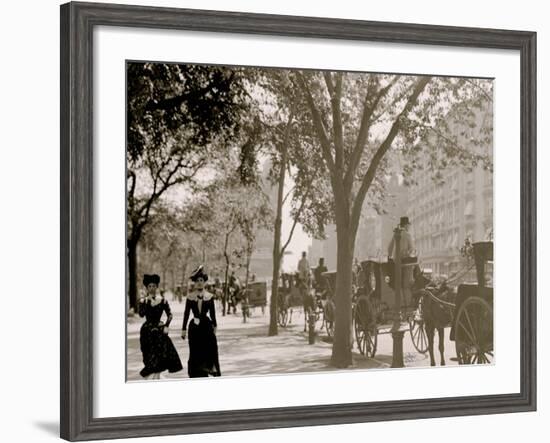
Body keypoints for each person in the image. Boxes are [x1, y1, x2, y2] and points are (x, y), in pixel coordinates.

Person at [138, 274, 183, 379]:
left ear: (157, 287)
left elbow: (170, 314)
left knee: (160, 355)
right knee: (148, 355)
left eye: (154, 286)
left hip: (159, 330)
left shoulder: (162, 300)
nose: (152, 288)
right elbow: (141, 314)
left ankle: (156, 377)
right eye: (149, 286)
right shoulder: (143, 301)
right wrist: (146, 302)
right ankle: (152, 375)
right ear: (147, 288)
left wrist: (167, 326)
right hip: (147, 331)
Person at [181, 266, 221, 378]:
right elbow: (186, 313)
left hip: (206, 326)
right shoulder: (190, 297)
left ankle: (210, 368)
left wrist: (215, 326)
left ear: (204, 282)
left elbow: (212, 314)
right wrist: (183, 329)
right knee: (195, 350)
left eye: (201, 281)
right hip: (194, 327)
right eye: (197, 281)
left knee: (210, 348)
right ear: (194, 282)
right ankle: (196, 373)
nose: (199, 283)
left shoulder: (209, 296)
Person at [387, 216, 417, 305]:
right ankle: (408, 300)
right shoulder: (408, 235)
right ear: (406, 225)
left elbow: (389, 249)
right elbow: (412, 249)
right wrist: (407, 253)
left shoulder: (395, 234)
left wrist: (390, 257)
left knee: (397, 283)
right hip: (405, 264)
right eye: (408, 225)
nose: (409, 227)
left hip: (396, 263)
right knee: (408, 283)